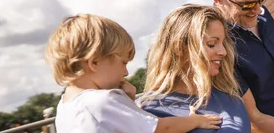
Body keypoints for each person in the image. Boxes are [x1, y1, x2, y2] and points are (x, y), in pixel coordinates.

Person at [138, 4, 274, 133]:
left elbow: (257, 121)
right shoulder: (148, 110)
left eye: (223, 43)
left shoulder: (228, 91)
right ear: (179, 48)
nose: (223, 52)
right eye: (211, 44)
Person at [44, 14, 222, 133]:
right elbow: (161, 128)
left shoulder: (65, 106)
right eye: (123, 63)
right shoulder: (102, 101)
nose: (126, 72)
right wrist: (196, 121)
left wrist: (128, 102)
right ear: (94, 63)